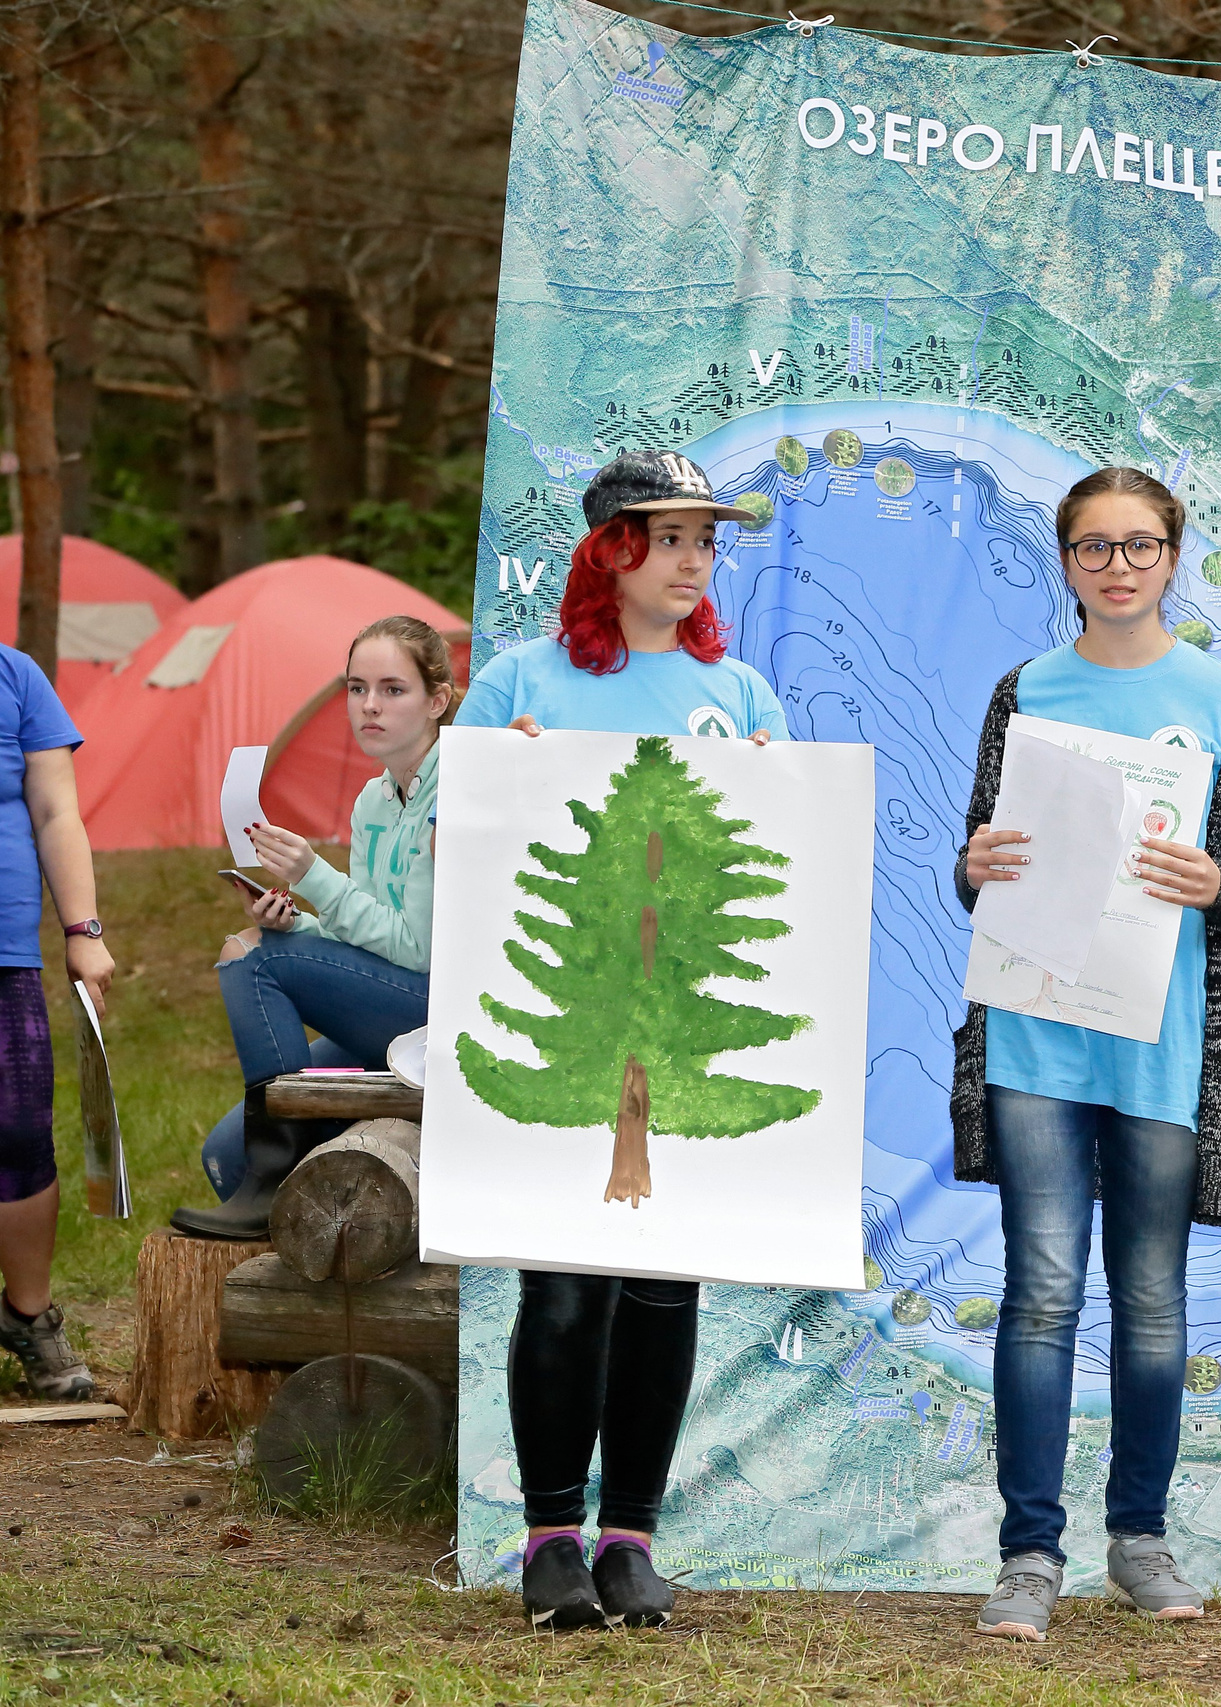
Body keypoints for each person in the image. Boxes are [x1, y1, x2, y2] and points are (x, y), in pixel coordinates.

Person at [457, 448, 786, 1633]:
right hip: (570, 1018)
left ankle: (631, 1537)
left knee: (660, 1284)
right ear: (611, 550)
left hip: (682, 1028)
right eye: (672, 537)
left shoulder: (743, 699)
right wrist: (510, 786)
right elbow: (463, 855)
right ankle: (550, 1537)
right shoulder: (517, 682)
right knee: (560, 1282)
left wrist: (767, 795)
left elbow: (777, 869)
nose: (695, 560)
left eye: (708, 540)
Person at [954, 466, 1221, 1643]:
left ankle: (1138, 1539)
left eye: (1138, 545)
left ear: (1172, 554)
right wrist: (978, 864)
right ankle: (1027, 1556)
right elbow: (976, 860)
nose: (1118, 567)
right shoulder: (1024, 690)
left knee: (1151, 1302)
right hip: (1037, 1038)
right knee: (1040, 1295)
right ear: (1067, 561)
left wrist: (1214, 884)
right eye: (1093, 547)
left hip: (1164, 1043)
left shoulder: (1219, 695)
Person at [171, 617, 454, 1239]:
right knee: (224, 1154)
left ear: (437, 700)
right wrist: (299, 921)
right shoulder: (374, 799)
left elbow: (419, 949)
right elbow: (371, 929)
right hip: (390, 1005)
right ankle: (288, 1213)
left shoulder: (454, 792)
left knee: (259, 960)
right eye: (357, 689)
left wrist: (313, 875)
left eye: (392, 689)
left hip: (440, 1013)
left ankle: (276, 1173)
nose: (370, 706)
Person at [0, 642, 113, 1400]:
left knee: (17, 1128)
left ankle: (28, 1316)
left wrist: (84, 930)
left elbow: (55, 809)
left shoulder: (17, 677)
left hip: (7, 950)